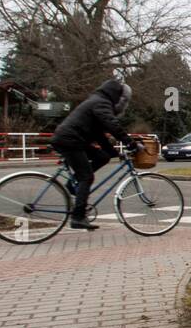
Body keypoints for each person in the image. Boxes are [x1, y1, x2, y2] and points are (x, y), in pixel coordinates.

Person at [50, 79, 139, 230]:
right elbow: (112, 124)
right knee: (86, 176)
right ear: (116, 95)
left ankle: (73, 186)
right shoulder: (101, 103)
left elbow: (98, 133)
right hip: (70, 140)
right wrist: (131, 143)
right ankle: (78, 217)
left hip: (72, 139)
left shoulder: (98, 101)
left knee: (102, 157)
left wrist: (114, 152)